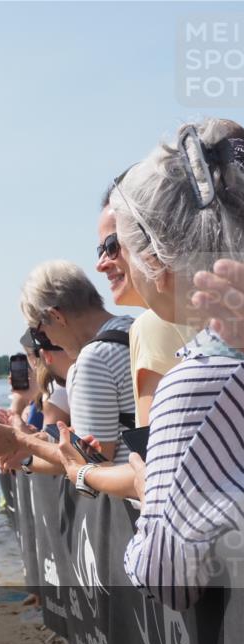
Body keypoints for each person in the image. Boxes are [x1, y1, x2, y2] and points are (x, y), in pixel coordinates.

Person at [108, 118, 244, 609]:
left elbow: (168, 576)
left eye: (120, 248)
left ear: (157, 263)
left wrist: (146, 487)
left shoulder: (198, 382)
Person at [0, 262, 136, 474]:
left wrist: (21, 445)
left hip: (130, 503)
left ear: (57, 316)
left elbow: (93, 462)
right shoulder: (135, 328)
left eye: (38, 333)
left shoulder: (94, 359)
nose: (44, 341)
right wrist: (39, 441)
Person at [95, 186, 196, 426]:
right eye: (100, 251)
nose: (101, 264)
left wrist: (81, 465)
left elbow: (153, 455)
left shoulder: (153, 325)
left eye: (111, 246)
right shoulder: (217, 309)